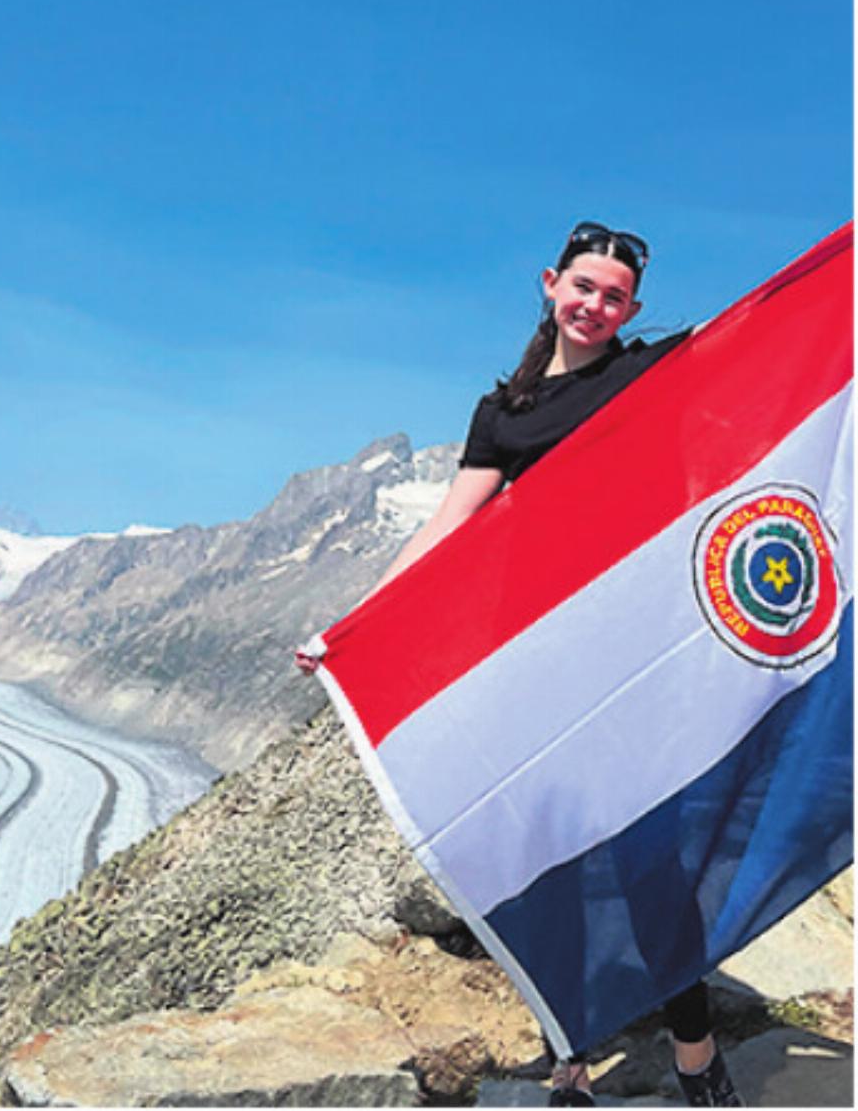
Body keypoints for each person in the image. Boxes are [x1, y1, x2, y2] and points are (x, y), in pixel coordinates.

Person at [296, 221, 743, 1108]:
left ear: (633, 309)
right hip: (531, 657)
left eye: (614, 296)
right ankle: (568, 1059)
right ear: (550, 285)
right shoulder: (502, 413)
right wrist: (354, 624)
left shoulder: (647, 367)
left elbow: (759, 341)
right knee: (550, 858)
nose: (596, 306)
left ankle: (697, 1059)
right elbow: (448, 525)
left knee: (647, 856)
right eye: (583, 287)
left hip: (624, 643)